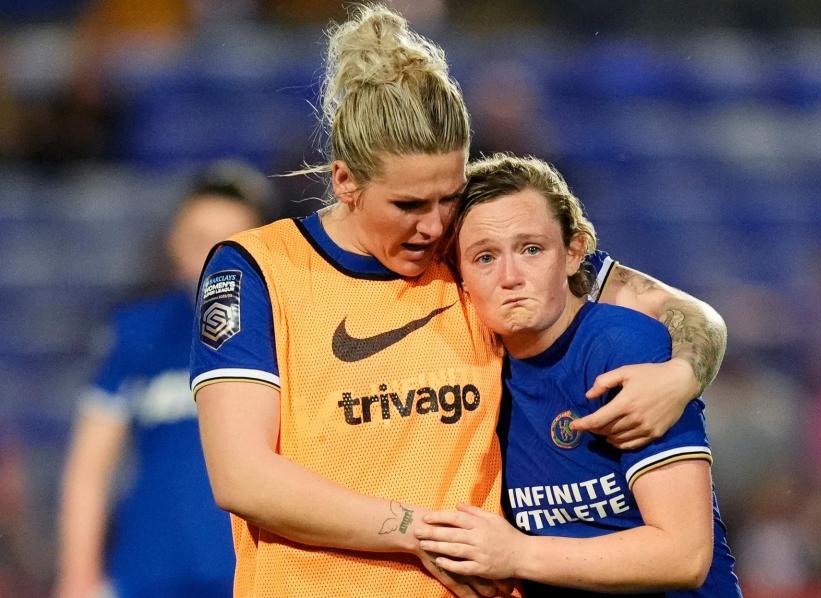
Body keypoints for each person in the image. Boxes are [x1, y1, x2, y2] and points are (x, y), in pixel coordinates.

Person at [189, 5, 726, 597]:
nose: (434, 225)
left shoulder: (477, 251)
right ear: (345, 181)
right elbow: (242, 476)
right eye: (409, 205)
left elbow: (687, 314)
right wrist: (420, 532)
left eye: (449, 196)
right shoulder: (259, 269)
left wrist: (683, 373)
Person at [417, 153, 742, 597]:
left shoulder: (622, 347)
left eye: (531, 249)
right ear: (460, 275)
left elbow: (683, 555)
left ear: (573, 253)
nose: (510, 276)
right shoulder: (473, 371)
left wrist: (516, 554)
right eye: (485, 257)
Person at [56, 161, 274, 598]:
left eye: (230, 243)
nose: (213, 258)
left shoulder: (285, 331)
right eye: (198, 241)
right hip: (147, 576)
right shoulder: (137, 331)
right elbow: (89, 467)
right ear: (174, 243)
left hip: (252, 577)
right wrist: (78, 576)